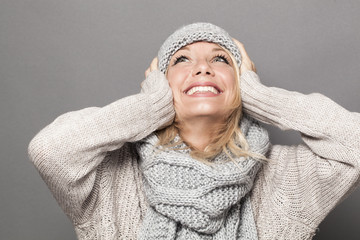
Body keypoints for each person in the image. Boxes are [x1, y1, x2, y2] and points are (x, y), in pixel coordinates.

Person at [28, 23, 360, 239]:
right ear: (159, 83)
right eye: (182, 60)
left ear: (241, 81)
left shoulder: (286, 177)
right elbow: (50, 150)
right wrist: (151, 105)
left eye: (221, 59)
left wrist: (261, 96)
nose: (203, 67)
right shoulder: (112, 176)